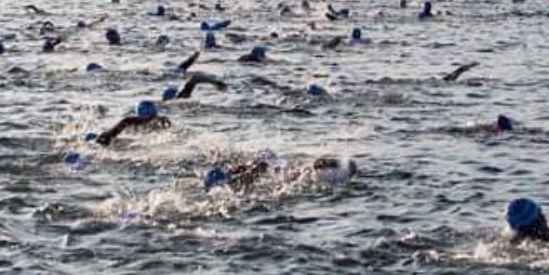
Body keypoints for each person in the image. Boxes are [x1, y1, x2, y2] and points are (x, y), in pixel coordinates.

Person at [205, 155, 358, 192]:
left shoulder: (327, 174)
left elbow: (317, 164)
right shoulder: (334, 176)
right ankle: (230, 180)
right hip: (294, 176)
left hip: (293, 177)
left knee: (261, 166)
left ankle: (229, 180)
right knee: (261, 166)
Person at [94, 100, 171, 146]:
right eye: (146, 118)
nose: (147, 120)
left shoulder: (161, 121)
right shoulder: (128, 121)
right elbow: (110, 135)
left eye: (150, 117)